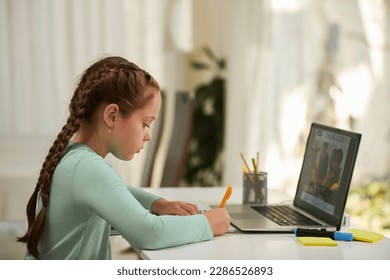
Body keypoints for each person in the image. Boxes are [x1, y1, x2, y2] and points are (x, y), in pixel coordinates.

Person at [17, 56, 230, 260]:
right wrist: (207, 223)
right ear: (111, 116)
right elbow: (149, 233)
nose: (149, 135)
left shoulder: (73, 157)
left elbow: (116, 192)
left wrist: (158, 204)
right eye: (145, 123)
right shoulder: (87, 167)